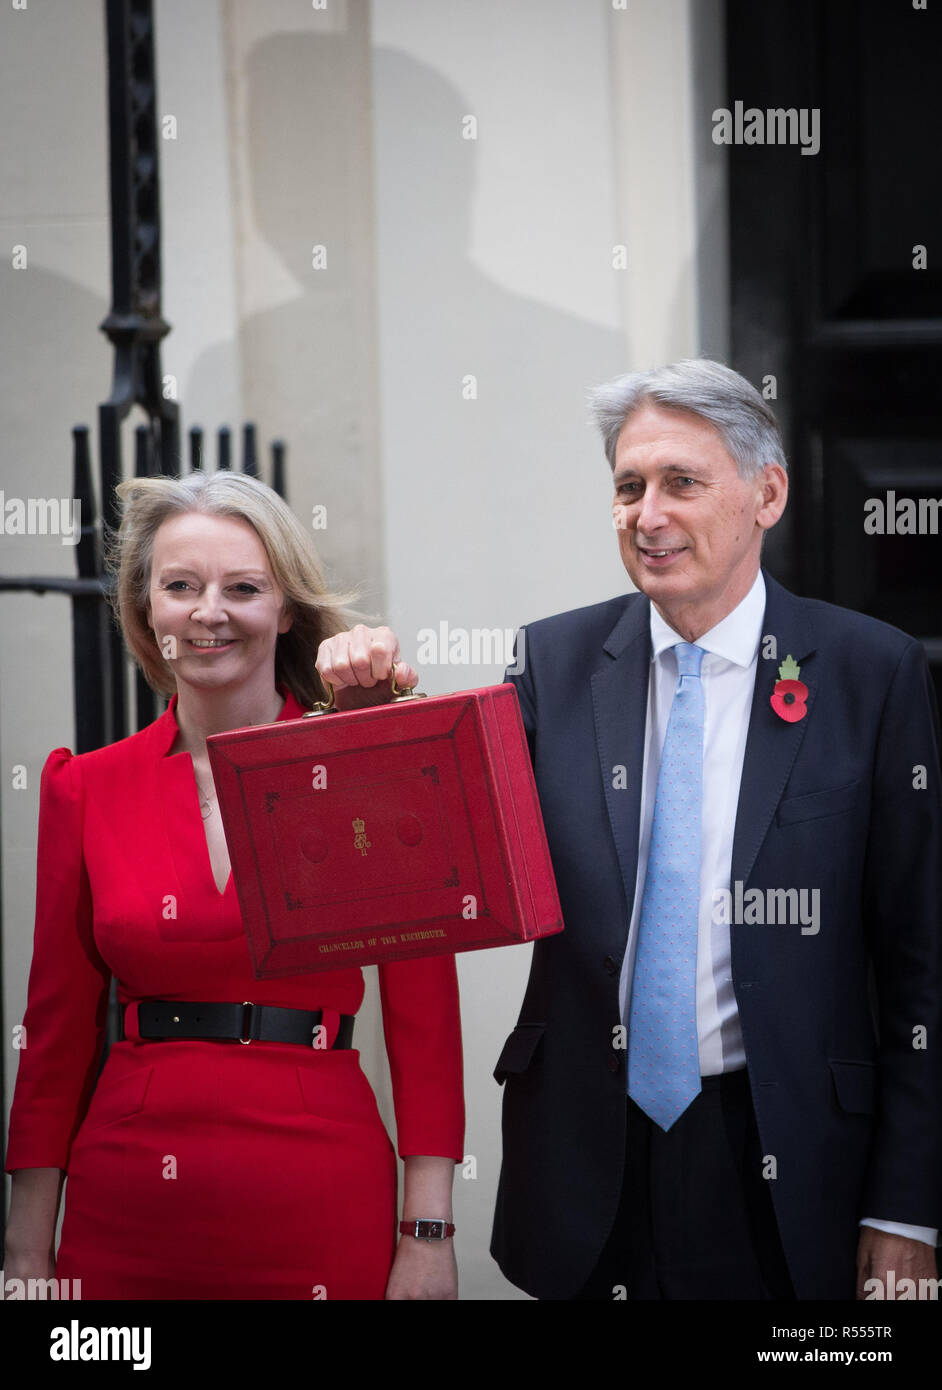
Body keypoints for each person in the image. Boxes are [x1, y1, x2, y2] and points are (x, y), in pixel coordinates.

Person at [486, 359, 942, 1300]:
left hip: (791, 1156)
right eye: (628, 486)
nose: (647, 515)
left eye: (681, 483)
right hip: (590, 1158)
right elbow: (442, 857)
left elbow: (922, 957)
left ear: (766, 492)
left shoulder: (869, 672)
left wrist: (905, 1210)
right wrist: (353, 713)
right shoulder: (554, 662)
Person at [4, 471, 464, 1300]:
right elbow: (55, 1036)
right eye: (180, 585)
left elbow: (425, 1019)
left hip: (322, 1200)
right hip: (126, 1209)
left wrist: (426, 1236)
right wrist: (27, 1253)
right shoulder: (86, 788)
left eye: (243, 588)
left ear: (284, 607)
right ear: (146, 606)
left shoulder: (359, 765)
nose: (208, 612)